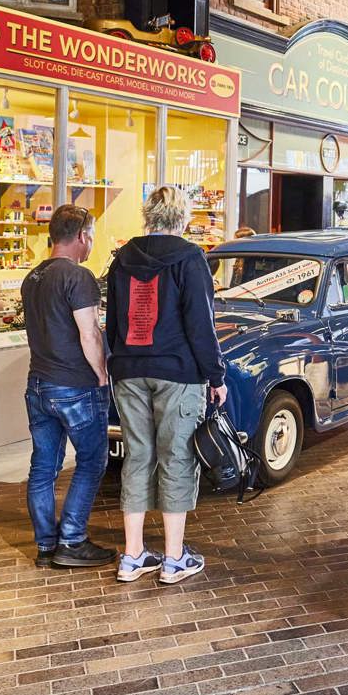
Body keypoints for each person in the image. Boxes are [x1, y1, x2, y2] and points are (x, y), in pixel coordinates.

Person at [105, 186, 226, 585]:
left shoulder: (123, 257)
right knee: (176, 457)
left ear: (148, 215)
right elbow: (200, 324)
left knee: (137, 456)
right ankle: (174, 558)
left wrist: (117, 360)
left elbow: (114, 320)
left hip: (128, 369)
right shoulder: (190, 258)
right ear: (182, 217)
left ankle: (133, 554)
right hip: (177, 372)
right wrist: (216, 376)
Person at [21, 204, 114, 569]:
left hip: (38, 384)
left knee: (43, 467)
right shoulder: (78, 277)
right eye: (90, 236)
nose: (91, 243)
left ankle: (46, 545)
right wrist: (102, 374)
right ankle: (72, 541)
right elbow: (89, 332)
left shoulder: (33, 277)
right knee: (92, 460)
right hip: (75, 385)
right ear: (81, 236)